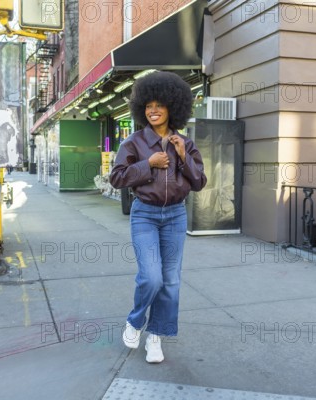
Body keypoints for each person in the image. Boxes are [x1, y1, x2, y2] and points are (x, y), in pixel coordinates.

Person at [109, 71, 207, 363]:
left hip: (176, 216)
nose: (153, 110)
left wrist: (183, 156)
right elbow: (116, 177)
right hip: (145, 215)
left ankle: (156, 336)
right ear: (141, 109)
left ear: (172, 107)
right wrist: (148, 164)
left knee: (170, 281)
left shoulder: (185, 144)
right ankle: (136, 320)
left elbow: (200, 182)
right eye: (148, 105)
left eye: (159, 105)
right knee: (151, 278)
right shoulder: (134, 143)